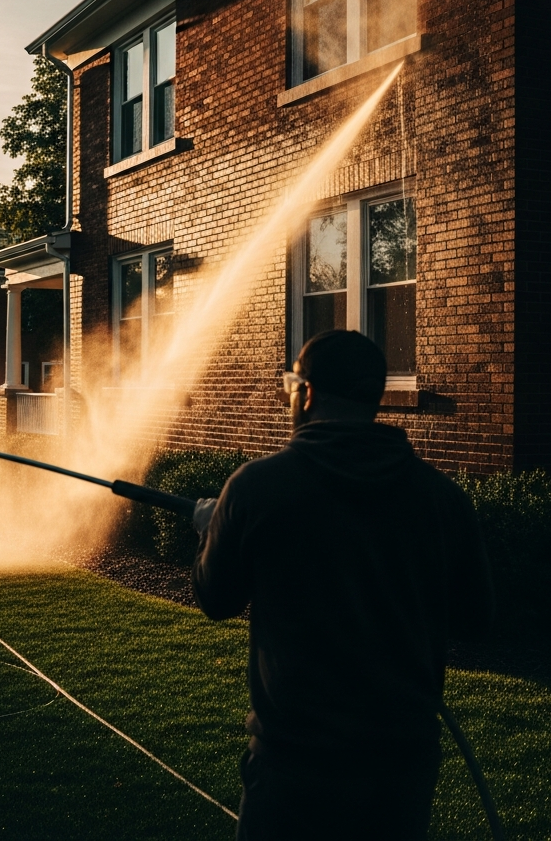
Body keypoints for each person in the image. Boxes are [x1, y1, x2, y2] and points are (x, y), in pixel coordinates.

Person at [192, 330, 494, 841]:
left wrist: (209, 529)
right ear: (374, 396)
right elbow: (476, 621)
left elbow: (216, 599)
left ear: (306, 392)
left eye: (292, 384)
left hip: (292, 766)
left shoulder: (255, 488)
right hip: (400, 770)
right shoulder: (441, 498)